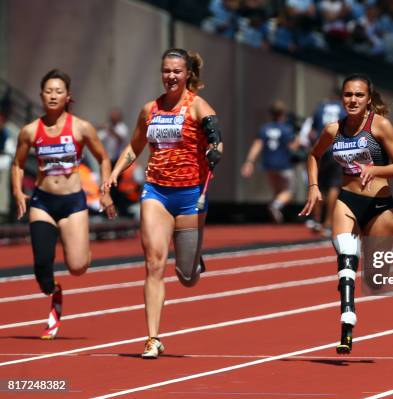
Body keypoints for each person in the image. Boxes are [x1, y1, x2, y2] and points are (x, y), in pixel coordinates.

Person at [104, 48, 223, 359]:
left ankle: (194, 258)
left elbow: (215, 136)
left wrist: (215, 149)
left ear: (187, 75)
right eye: (166, 71)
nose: (171, 76)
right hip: (156, 193)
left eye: (177, 72)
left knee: (187, 277)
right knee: (154, 263)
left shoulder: (198, 107)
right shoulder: (149, 110)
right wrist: (116, 173)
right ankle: (152, 338)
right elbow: (135, 145)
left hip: (189, 197)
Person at [299, 73, 393, 354]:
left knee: (375, 277)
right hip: (347, 201)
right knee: (346, 260)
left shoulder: (379, 126)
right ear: (341, 98)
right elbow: (313, 155)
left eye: (359, 95)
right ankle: (347, 320)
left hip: (379, 207)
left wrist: (376, 169)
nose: (353, 100)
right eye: (348, 95)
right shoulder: (333, 130)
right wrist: (313, 186)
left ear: (368, 99)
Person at [11, 69, 116, 339]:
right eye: (48, 91)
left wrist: (105, 191)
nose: (53, 95)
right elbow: (18, 164)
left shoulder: (81, 128)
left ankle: (82, 249)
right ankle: (53, 289)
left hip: (72, 203)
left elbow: (104, 158)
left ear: (68, 96)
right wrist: (17, 191)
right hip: (43, 202)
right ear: (41, 96)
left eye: (59, 91)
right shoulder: (30, 131)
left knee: (78, 267)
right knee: (42, 269)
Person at [241, 100, 298, 223]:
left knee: (277, 191)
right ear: (283, 113)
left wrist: (249, 161)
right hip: (283, 164)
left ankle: (276, 215)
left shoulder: (265, 128)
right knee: (289, 191)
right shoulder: (287, 129)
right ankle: (276, 206)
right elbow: (292, 147)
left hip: (269, 164)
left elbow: (257, 145)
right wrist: (299, 139)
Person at [300, 93, 347, 236]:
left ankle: (316, 220)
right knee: (334, 186)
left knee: (318, 185)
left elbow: (311, 132)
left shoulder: (320, 108)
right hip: (337, 148)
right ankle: (327, 223)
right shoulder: (343, 108)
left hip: (321, 149)